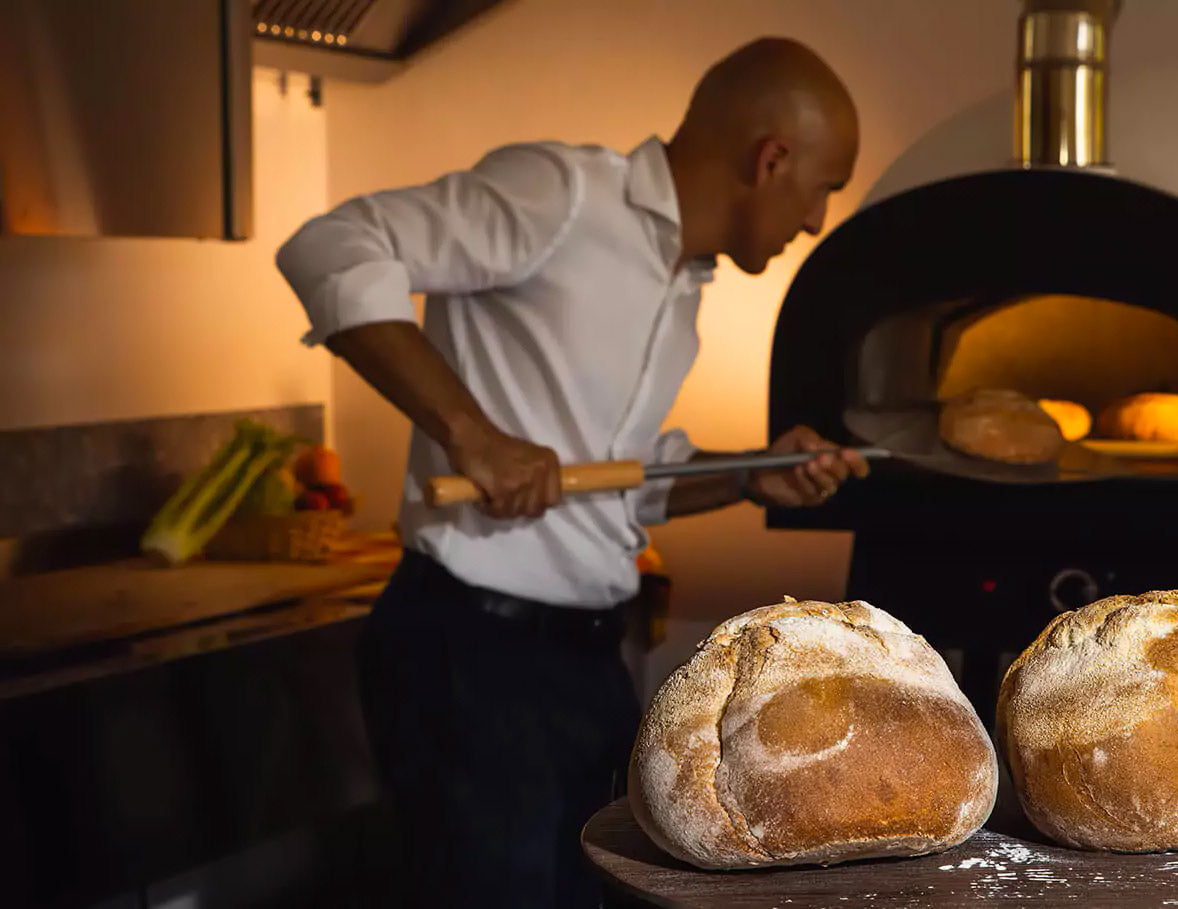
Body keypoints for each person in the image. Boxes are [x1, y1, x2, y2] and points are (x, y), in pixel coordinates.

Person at [275, 36, 868, 909]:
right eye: (822, 187)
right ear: (770, 158)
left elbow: (621, 479)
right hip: (469, 655)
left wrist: (752, 474)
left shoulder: (681, 282)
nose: (815, 218)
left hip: (587, 661)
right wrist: (470, 433)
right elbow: (329, 245)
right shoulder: (561, 194)